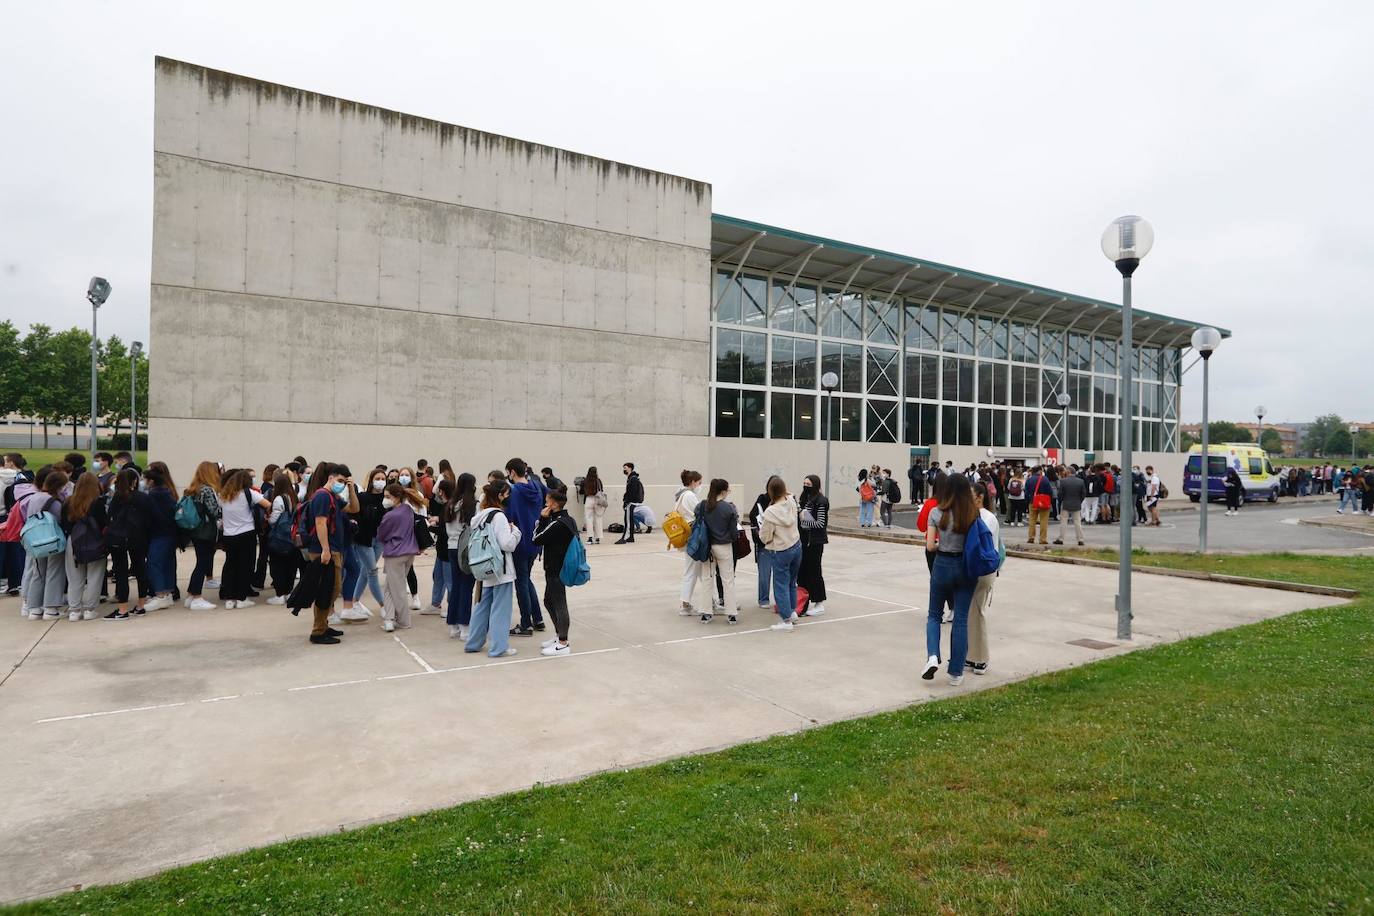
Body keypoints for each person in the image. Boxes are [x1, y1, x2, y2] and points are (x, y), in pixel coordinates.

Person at [922, 474, 979, 686]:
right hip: (964, 566)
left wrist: (942, 546)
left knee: (934, 615)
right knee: (961, 619)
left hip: (942, 564)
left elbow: (930, 546)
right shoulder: (973, 514)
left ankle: (932, 656)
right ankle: (956, 672)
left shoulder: (936, 513)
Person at [465, 479, 522, 659]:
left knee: (482, 606)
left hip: (483, 566)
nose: (508, 496)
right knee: (501, 609)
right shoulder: (499, 516)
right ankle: (498, 647)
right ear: (500, 495)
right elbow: (507, 544)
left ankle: (473, 643)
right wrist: (516, 532)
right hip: (500, 568)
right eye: (506, 493)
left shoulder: (479, 516)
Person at [300, 463, 349, 644]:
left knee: (332, 590)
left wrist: (349, 487)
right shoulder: (322, 496)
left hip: (333, 548)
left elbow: (352, 509)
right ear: (330, 478)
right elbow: (320, 523)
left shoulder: (331, 496)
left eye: (344, 482)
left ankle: (323, 625)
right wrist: (326, 549)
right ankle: (318, 631)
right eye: (340, 480)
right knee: (327, 591)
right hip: (324, 550)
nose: (342, 484)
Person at [504, 458, 548, 636]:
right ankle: (537, 618)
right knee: (526, 578)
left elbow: (508, 517)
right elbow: (553, 496)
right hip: (535, 540)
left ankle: (525, 623)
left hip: (519, 541)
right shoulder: (537, 486)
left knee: (521, 581)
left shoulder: (513, 491)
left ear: (512, 472)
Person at [533, 489, 578, 655]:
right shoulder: (568, 520)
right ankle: (559, 634)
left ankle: (563, 642)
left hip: (556, 568)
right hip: (558, 567)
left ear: (554, 504)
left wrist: (542, 519)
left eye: (547, 501)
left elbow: (536, 539)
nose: (545, 503)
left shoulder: (558, 523)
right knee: (549, 601)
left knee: (559, 603)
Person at [965, 481, 1003, 676]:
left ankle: (981, 658)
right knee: (969, 613)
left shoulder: (987, 518)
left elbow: (978, 547)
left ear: (979, 497)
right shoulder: (971, 515)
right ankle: (971, 654)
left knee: (977, 612)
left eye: (969, 494)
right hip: (972, 569)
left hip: (983, 570)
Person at [218, 468, 270, 609]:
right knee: (245, 566)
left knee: (231, 565)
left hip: (228, 535)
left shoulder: (222, 495)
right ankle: (241, 598)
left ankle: (230, 598)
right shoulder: (249, 493)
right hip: (247, 533)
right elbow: (267, 504)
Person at [21, 469, 69, 620]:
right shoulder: (54, 502)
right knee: (54, 573)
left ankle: (34, 608)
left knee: (38, 573)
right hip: (53, 541)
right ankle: (50, 608)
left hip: (36, 541)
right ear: (58, 486)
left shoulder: (35, 497)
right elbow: (60, 520)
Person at [105, 467, 152, 620]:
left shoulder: (117, 497)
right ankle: (141, 605)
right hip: (139, 537)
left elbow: (110, 515)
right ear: (135, 481)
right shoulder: (143, 497)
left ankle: (123, 608)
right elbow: (148, 518)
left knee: (121, 572)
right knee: (140, 570)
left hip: (118, 538)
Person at [62, 471, 107, 622]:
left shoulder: (69, 502)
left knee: (74, 577)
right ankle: (90, 609)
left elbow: (64, 523)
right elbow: (104, 523)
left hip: (73, 541)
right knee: (95, 576)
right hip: (95, 541)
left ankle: (74, 610)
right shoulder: (98, 502)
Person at [376, 482, 420, 634]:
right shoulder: (408, 509)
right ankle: (389, 618)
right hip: (410, 552)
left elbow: (381, 535)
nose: (385, 499)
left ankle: (402, 620)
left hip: (395, 553)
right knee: (390, 586)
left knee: (396, 588)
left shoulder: (390, 515)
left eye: (388, 497)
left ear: (396, 497)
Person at [759, 477, 802, 632]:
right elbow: (790, 494)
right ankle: (792, 612)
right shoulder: (791, 501)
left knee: (780, 585)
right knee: (791, 582)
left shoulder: (770, 512)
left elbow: (765, 536)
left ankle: (786, 620)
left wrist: (767, 538)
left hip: (782, 550)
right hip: (797, 546)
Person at [697, 478, 739, 625]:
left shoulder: (703, 505)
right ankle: (731, 613)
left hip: (706, 547)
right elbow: (734, 533)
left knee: (707, 579)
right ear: (723, 491)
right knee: (728, 580)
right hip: (724, 546)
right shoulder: (728, 508)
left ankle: (706, 612)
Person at [183, 462, 222, 610]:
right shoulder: (207, 490)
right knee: (203, 563)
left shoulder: (194, 489)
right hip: (206, 531)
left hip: (196, 530)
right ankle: (197, 597)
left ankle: (191, 595)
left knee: (201, 562)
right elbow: (214, 512)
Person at [347, 468, 388, 613]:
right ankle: (383, 605)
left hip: (380, 540)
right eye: (377, 478)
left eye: (383, 479)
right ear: (371, 480)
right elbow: (354, 513)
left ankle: (355, 601)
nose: (381, 482)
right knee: (372, 571)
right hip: (364, 540)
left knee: (366, 570)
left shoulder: (387, 498)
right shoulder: (362, 497)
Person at [445, 472, 479, 640]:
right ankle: (465, 626)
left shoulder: (451, 504)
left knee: (457, 585)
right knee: (466, 586)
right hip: (466, 549)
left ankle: (454, 626)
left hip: (451, 547)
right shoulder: (473, 504)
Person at [672, 470, 707, 617]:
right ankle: (685, 605)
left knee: (699, 572)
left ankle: (713, 600)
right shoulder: (689, 496)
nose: (700, 485)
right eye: (699, 482)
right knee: (691, 572)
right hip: (693, 538)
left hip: (687, 538)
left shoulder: (680, 495)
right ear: (693, 482)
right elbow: (700, 514)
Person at [264, 470, 299, 605]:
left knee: (277, 566)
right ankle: (289, 592)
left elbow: (274, 520)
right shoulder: (293, 496)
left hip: (279, 538)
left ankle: (280, 594)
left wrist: (267, 518)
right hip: (292, 537)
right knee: (291, 565)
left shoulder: (279, 499)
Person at [797, 473, 829, 618]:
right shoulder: (804, 499)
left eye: (809, 485)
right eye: (804, 484)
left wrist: (804, 521)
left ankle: (819, 602)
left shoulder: (821, 501)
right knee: (802, 572)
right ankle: (803, 600)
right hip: (803, 541)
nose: (806, 487)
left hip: (815, 542)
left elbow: (821, 523)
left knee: (814, 572)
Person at [423, 478, 456, 616]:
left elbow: (446, 531)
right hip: (441, 550)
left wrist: (430, 527)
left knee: (449, 581)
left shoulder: (451, 507)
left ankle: (452, 607)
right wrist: (437, 519)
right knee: (438, 577)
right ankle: (435, 603)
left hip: (448, 549)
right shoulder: (446, 507)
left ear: (442, 491)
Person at [749, 476, 780, 610]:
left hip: (780, 542)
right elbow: (752, 515)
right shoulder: (762, 498)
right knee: (764, 573)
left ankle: (780, 600)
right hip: (765, 542)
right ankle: (763, 599)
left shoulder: (784, 500)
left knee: (780, 574)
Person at [1054, 465, 1085, 546]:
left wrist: (1061, 501)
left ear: (1068, 472)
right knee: (1077, 522)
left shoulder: (1063, 481)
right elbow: (1083, 494)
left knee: (1063, 521)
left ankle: (1061, 539)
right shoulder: (1081, 481)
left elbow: (1060, 494)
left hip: (1066, 503)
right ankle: (1080, 539)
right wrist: (1079, 501)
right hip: (1077, 503)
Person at [615, 462, 644, 544]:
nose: (624, 469)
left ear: (630, 468)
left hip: (630, 503)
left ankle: (624, 538)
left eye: (625, 467)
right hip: (631, 502)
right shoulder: (631, 478)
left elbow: (632, 492)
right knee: (630, 520)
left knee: (627, 521)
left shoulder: (633, 479)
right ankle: (631, 537)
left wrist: (627, 501)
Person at [1023, 465, 1052, 546]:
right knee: (1043, 521)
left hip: (1033, 502)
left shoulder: (1029, 480)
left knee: (1032, 520)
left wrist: (1028, 501)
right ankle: (1042, 539)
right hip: (1044, 502)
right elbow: (1049, 491)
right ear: (1040, 471)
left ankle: (1031, 537)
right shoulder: (1045, 479)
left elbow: (1026, 492)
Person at [579, 467, 607, 544]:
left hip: (589, 499)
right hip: (598, 500)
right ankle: (598, 538)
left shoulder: (585, 481)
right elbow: (601, 490)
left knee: (588, 519)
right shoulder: (598, 481)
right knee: (598, 518)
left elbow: (581, 492)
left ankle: (590, 538)